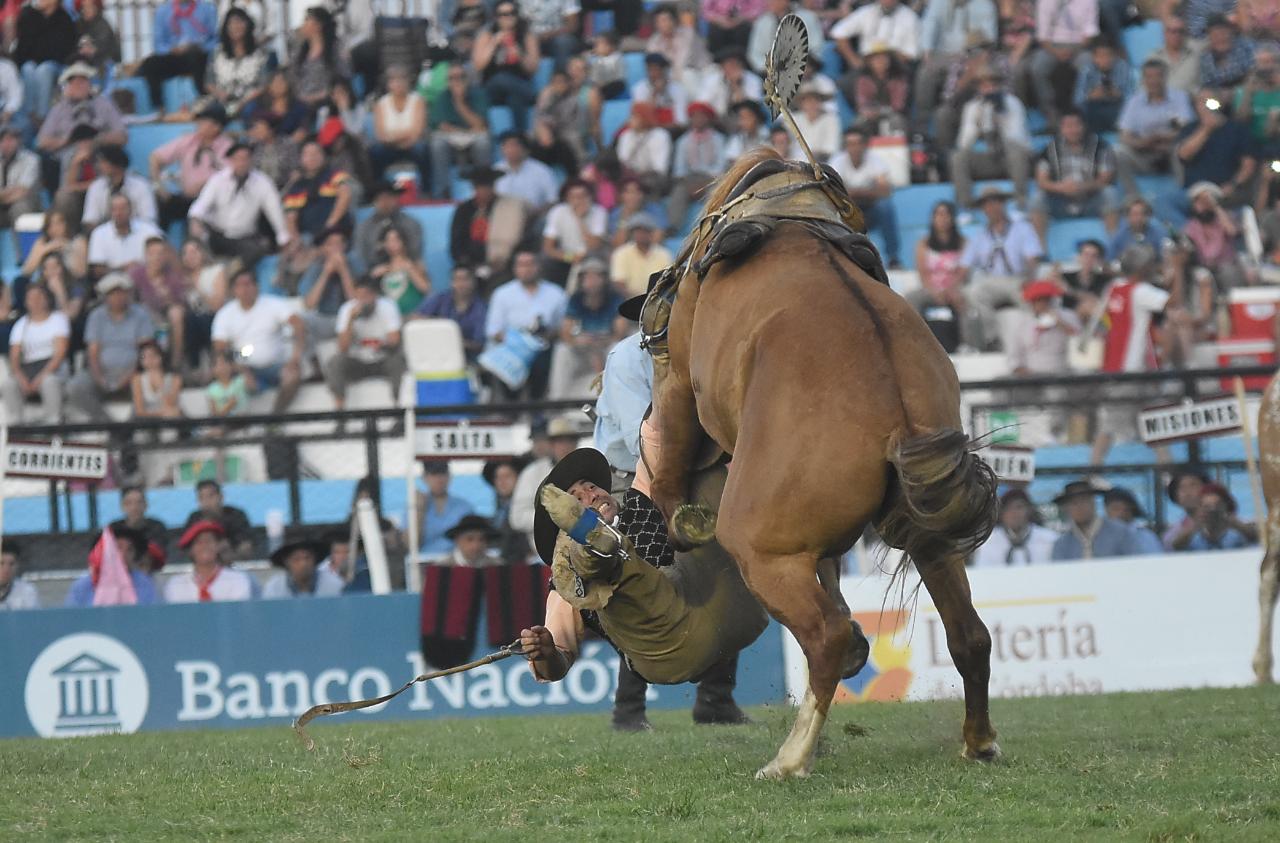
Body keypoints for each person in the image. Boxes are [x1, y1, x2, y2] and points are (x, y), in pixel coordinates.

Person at [1089, 245, 1184, 467]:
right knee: (1114, 426)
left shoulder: (1114, 287)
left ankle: (1168, 469)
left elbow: (1105, 320)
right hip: (1133, 370)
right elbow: (1174, 302)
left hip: (1120, 368)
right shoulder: (1139, 291)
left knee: (1153, 422)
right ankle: (1093, 472)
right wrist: (1178, 268)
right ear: (1141, 268)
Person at [211, 268, 305, 416]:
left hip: (275, 366)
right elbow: (220, 348)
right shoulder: (225, 314)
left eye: (249, 284)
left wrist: (295, 357)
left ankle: (275, 418)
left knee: (293, 375)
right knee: (232, 382)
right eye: (240, 285)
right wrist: (241, 368)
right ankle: (230, 424)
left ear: (257, 286)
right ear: (233, 290)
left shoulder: (273, 304)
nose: (245, 289)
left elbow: (298, 324)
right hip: (242, 368)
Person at [961, 186, 1044, 350]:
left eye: (996, 202)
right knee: (973, 292)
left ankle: (1033, 339)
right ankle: (992, 338)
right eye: (987, 204)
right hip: (991, 281)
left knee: (1028, 298)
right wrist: (956, 286)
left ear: (1003, 204)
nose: (992, 207)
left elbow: (1032, 260)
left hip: (1017, 279)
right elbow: (964, 267)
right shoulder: (979, 237)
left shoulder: (1022, 228)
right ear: (983, 209)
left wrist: (1030, 279)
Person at [65, 272, 154, 424]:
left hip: (133, 373)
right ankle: (106, 423)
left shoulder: (141, 314)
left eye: (121, 292)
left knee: (147, 385)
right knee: (74, 387)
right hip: (102, 371)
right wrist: (99, 378)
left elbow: (145, 351)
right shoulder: (96, 316)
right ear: (105, 296)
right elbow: (93, 352)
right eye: (113, 293)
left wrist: (130, 376)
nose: (118, 297)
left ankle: (133, 426)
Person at [187, 140, 290, 269]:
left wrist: (283, 237)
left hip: (244, 237)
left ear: (251, 160)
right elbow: (201, 206)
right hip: (217, 234)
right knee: (195, 240)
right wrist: (195, 221)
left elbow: (274, 210)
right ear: (231, 160)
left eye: (245, 159)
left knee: (256, 249)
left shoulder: (262, 182)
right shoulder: (218, 179)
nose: (242, 163)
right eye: (238, 159)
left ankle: (230, 274)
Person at [1028, 108, 1121, 246]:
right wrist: (1061, 187)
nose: (1073, 130)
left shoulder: (1101, 147)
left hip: (1091, 200)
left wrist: (1082, 187)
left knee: (1110, 194)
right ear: (1061, 128)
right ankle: (1040, 249)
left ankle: (1114, 245)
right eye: (1068, 126)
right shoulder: (1049, 150)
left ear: (1083, 126)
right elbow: (1041, 180)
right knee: (1038, 199)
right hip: (1061, 201)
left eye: (1076, 125)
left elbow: (1105, 178)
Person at [484, 250, 569, 399]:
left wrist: (542, 337)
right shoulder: (502, 294)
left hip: (543, 347)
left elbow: (562, 327)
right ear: (515, 268)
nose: (527, 269)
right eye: (522, 265)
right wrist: (519, 342)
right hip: (511, 347)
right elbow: (493, 330)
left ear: (539, 267)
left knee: (544, 360)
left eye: (530, 264)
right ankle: (511, 412)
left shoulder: (556, 293)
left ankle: (537, 411)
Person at [951, 67, 1032, 209]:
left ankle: (1021, 201)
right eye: (984, 85)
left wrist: (1000, 120)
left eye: (993, 85)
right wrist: (978, 124)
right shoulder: (972, 107)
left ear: (999, 86)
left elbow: (1018, 138)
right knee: (958, 157)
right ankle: (966, 205)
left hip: (1009, 157)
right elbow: (963, 143)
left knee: (1017, 155)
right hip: (987, 157)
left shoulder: (1012, 103)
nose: (988, 89)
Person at [1115, 59, 1194, 199]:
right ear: (1143, 79)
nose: (1154, 81)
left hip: (1171, 151)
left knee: (1182, 148)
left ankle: (1183, 196)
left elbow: (1186, 129)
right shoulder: (1135, 101)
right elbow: (1124, 135)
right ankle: (1134, 198)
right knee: (1118, 152)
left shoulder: (1179, 97)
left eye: (1158, 76)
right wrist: (1142, 143)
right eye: (1149, 77)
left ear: (1165, 77)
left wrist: (1161, 137)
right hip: (1145, 153)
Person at [548, 257, 626, 399]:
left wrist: (599, 344)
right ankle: (556, 402)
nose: (591, 281)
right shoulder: (575, 300)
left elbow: (620, 332)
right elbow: (565, 332)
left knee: (617, 348)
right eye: (587, 277)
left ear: (604, 279)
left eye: (595, 276)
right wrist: (578, 341)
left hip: (605, 347)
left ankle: (616, 399)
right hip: (582, 348)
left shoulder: (615, 299)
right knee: (562, 350)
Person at [149, 100, 232, 231]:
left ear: (217, 127)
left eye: (204, 121)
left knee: (198, 215)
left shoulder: (227, 147)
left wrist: (204, 185)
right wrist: (159, 186)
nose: (199, 124)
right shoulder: (189, 140)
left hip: (212, 201)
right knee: (159, 204)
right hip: (186, 197)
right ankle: (158, 243)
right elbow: (155, 158)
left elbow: (229, 175)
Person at [326, 275, 406, 410]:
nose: (362, 301)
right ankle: (339, 413)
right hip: (358, 362)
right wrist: (350, 321)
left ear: (375, 295)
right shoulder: (347, 310)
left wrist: (381, 345)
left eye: (366, 296)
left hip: (382, 360)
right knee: (335, 362)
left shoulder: (387, 306)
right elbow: (342, 348)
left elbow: (395, 340)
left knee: (397, 362)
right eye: (359, 296)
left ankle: (399, 411)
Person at [35, 62, 127, 175]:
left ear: (89, 84)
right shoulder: (58, 109)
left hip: (99, 151)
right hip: (67, 154)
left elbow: (122, 137)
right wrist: (67, 141)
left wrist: (96, 141)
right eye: (74, 83)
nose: (79, 86)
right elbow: (42, 142)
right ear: (68, 86)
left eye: (82, 82)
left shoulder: (104, 104)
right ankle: (69, 190)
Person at [828, 128, 901, 268]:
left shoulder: (875, 160)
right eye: (850, 143)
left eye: (858, 143)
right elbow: (832, 192)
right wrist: (868, 191)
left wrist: (852, 192)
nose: (854, 148)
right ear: (845, 146)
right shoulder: (838, 161)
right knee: (831, 208)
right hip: (848, 212)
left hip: (870, 211)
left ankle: (893, 257)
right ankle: (838, 257)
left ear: (865, 145)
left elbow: (886, 191)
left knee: (886, 207)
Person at [511, 413, 586, 542]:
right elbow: (517, 518)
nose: (565, 446)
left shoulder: (588, 469)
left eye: (569, 441)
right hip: (546, 551)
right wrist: (555, 517)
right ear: (551, 445)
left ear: (576, 443)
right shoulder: (532, 473)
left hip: (585, 547)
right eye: (559, 441)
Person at [136, 0, 217, 116]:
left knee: (198, 59)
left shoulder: (207, 8)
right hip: (173, 56)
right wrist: (171, 49)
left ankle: (205, 103)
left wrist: (199, 47)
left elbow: (216, 40)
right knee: (150, 64)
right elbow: (158, 44)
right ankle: (159, 108)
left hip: (199, 55)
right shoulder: (163, 11)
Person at [2, 284, 69, 423]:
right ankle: (16, 424)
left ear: (46, 299)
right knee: (9, 384)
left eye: (39, 297)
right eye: (31, 298)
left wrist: (39, 379)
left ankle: (54, 421)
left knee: (49, 382)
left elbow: (59, 354)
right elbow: (14, 357)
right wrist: (22, 379)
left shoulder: (58, 320)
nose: (35, 301)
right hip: (28, 368)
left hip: (52, 369)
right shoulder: (21, 324)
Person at [473, 1, 540, 134]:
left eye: (512, 13)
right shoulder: (487, 35)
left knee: (515, 98)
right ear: (496, 17)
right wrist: (493, 44)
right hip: (493, 85)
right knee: (501, 78)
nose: (508, 17)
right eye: (503, 14)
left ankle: (519, 137)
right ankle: (534, 97)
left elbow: (533, 68)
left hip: (518, 83)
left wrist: (520, 54)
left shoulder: (526, 35)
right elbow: (478, 66)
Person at [428, 63, 491, 199]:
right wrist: (466, 129)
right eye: (452, 78)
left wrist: (459, 103)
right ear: (447, 82)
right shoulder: (442, 97)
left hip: (474, 137)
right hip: (452, 137)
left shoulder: (478, 94)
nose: (457, 81)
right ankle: (443, 192)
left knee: (483, 142)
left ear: (467, 79)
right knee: (437, 144)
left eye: (461, 77)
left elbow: (480, 124)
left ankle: (485, 187)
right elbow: (442, 126)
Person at [13, 0, 76, 123]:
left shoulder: (64, 19)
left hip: (55, 64)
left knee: (44, 69)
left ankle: (42, 116)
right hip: (32, 62)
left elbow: (65, 49)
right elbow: (22, 46)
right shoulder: (28, 15)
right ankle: (29, 114)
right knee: (28, 68)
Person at [668, 102, 726, 236]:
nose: (698, 120)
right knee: (678, 192)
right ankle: (673, 227)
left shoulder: (718, 139)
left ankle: (710, 228)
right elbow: (679, 169)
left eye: (701, 116)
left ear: (708, 119)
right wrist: (690, 184)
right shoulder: (683, 141)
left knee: (715, 191)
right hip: (689, 180)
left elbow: (721, 166)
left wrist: (705, 183)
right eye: (694, 117)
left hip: (711, 179)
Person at [65, 526, 161, 607]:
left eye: (130, 550)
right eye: (117, 547)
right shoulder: (83, 586)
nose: (123, 554)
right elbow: (72, 619)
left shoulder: (144, 583)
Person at [282, 139, 355, 245]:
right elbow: (291, 218)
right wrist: (296, 240)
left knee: (334, 242)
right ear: (301, 159)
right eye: (308, 154)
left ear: (323, 156)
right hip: (308, 236)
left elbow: (345, 195)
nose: (313, 157)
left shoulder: (334, 175)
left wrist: (330, 224)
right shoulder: (297, 186)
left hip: (335, 230)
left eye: (316, 153)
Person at [368, 64, 429, 189]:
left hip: (412, 145)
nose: (398, 84)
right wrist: (404, 135)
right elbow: (381, 135)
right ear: (388, 84)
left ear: (408, 82)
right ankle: (379, 190)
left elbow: (417, 133)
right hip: (389, 147)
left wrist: (394, 137)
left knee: (422, 149)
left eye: (402, 79)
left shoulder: (418, 101)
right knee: (375, 151)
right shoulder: (381, 104)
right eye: (394, 80)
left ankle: (426, 190)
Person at [1050, 480, 1143, 561]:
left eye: (1084, 500)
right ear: (1066, 508)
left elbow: (1136, 565)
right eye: (1074, 503)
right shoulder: (1062, 544)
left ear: (1093, 502)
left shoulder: (1121, 533)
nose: (1079, 506)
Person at [164, 519, 254, 602]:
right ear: (190, 550)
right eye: (199, 542)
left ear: (218, 546)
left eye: (209, 541)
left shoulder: (237, 579)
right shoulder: (176, 584)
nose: (205, 546)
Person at [1007, 279, 1080, 376]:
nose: (1043, 304)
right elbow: (1014, 356)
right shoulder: (1022, 323)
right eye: (1038, 301)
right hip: (1032, 377)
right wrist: (1022, 371)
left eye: (1046, 300)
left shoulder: (1068, 316)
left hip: (1062, 373)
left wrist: (1060, 323)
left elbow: (1079, 342)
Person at [206, 6, 268, 117]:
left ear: (248, 25)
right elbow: (209, 82)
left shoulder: (261, 53)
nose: (236, 27)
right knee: (210, 112)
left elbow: (263, 84)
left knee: (251, 110)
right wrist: (220, 95)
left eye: (240, 22)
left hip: (250, 100)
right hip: (223, 98)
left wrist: (244, 101)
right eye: (231, 23)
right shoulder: (217, 53)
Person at [415, 265, 488, 361]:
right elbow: (416, 317)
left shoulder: (481, 308)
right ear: (451, 282)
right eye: (456, 279)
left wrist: (452, 340)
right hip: (434, 353)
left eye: (465, 279)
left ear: (473, 282)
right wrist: (439, 327)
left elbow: (479, 344)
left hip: (466, 359)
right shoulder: (441, 298)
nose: (461, 284)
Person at [830, 0, 920, 76]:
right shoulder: (866, 12)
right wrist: (854, 60)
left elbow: (911, 53)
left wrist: (883, 63)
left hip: (894, 67)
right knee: (844, 83)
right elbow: (838, 32)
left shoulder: (910, 17)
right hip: (865, 65)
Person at [542, 179, 607, 284]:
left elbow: (595, 245)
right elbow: (548, 247)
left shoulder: (599, 212)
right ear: (567, 198)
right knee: (546, 261)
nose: (579, 201)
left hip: (592, 255)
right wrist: (570, 257)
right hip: (567, 255)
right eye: (574, 197)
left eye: (583, 196)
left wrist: (580, 219)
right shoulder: (557, 211)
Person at [972, 488, 1058, 567]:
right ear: (1001, 514)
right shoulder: (988, 542)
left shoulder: (1050, 539)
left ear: (1029, 510)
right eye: (1008, 509)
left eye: (1019, 507)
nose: (1014, 513)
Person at [288, 6, 348, 113]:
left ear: (318, 25)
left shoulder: (335, 49)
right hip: (301, 103)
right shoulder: (299, 52)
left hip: (328, 102)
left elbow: (345, 75)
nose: (304, 25)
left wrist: (325, 94)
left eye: (307, 20)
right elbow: (293, 77)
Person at [87, 195, 163, 281]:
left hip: (146, 279)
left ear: (131, 210)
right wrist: (124, 269)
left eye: (123, 208)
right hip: (112, 283)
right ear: (110, 212)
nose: (119, 213)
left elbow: (164, 256)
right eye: (115, 209)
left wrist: (139, 270)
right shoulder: (99, 233)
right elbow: (98, 271)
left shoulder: (149, 229)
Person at [82, 146, 157, 230]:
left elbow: (148, 218)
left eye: (103, 162)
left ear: (116, 163)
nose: (99, 166)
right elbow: (90, 219)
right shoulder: (96, 186)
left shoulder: (141, 185)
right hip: (103, 234)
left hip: (136, 233)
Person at [182, 479, 253, 561]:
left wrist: (228, 555)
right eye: (201, 498)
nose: (206, 502)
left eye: (210, 496)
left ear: (221, 497)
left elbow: (246, 547)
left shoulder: (236, 516)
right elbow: (185, 548)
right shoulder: (194, 518)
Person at [1072, 36, 1130, 135]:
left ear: (1115, 55)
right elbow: (1077, 100)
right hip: (1093, 110)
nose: (1105, 60)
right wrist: (1090, 96)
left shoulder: (1122, 67)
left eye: (1108, 55)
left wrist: (1118, 94)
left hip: (1116, 108)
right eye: (1101, 56)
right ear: (1094, 57)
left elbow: (1131, 98)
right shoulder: (1087, 69)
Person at [748, 0, 823, 76]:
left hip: (804, 70)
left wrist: (806, 65)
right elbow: (755, 54)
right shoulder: (762, 22)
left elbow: (816, 48)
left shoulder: (808, 17)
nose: (770, 2)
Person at [418, 461, 474, 557]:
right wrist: (419, 510)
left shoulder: (464, 507)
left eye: (443, 473)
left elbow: (472, 540)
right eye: (434, 474)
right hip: (424, 562)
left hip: (457, 563)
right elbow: (409, 544)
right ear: (424, 478)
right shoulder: (414, 507)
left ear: (449, 477)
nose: (439, 479)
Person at [494, 130, 558, 214]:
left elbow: (553, 200)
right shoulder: (495, 170)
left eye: (514, 145)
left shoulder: (541, 170)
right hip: (503, 218)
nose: (510, 150)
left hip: (535, 217)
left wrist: (537, 214)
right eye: (506, 146)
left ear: (524, 148)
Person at [610, 213, 672, 298]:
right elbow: (619, 283)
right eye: (638, 231)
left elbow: (668, 280)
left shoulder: (663, 254)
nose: (641, 234)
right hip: (628, 301)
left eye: (645, 231)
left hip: (656, 301)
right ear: (632, 234)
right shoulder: (621, 253)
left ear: (651, 233)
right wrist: (636, 301)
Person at [615, 102, 673, 194]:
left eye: (635, 117)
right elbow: (622, 161)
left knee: (646, 183)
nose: (630, 120)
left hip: (653, 177)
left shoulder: (660, 135)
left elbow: (660, 168)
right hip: (630, 175)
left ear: (644, 118)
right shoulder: (625, 136)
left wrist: (638, 175)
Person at [261, 537, 345, 599]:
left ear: (315, 559)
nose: (303, 563)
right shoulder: (274, 587)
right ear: (286, 562)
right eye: (297, 559)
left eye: (307, 558)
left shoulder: (334, 584)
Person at [483, 459, 532, 565]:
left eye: (507, 476)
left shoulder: (527, 508)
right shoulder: (498, 509)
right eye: (498, 477)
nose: (502, 481)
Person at [110, 485, 169, 564]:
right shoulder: (114, 529)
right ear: (122, 507)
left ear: (146, 505)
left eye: (139, 502)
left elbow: (160, 553)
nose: (134, 507)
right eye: (129, 503)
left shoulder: (157, 527)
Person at [1185, 483, 1253, 551]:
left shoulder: (1236, 538)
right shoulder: (1195, 541)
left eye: (1217, 506)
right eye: (1206, 507)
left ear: (1225, 507)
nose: (1212, 510)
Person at [1151, 14, 1202, 96]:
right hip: (1161, 104)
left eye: (1180, 31)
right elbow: (1143, 88)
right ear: (1165, 34)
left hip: (1190, 103)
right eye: (1173, 31)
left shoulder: (1196, 54)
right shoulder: (1154, 57)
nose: (1177, 35)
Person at [1199, 14, 1254, 91]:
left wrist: (1234, 92)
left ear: (1230, 32)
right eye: (1215, 35)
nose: (1220, 38)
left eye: (1223, 33)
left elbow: (1253, 72)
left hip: (1246, 90)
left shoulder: (1245, 46)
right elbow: (1207, 84)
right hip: (1219, 95)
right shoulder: (1206, 57)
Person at [131, 340, 182, 420]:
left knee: (174, 415)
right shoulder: (137, 379)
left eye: (152, 356)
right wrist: (160, 414)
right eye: (144, 357)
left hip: (167, 420)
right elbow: (139, 411)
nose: (148, 360)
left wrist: (160, 385)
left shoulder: (175, 379)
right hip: (145, 421)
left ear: (160, 357)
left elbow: (170, 405)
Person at [1102, 487, 1163, 554]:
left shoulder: (1145, 536)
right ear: (1106, 509)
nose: (1121, 513)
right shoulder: (1098, 536)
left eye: (1126, 510)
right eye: (1116, 508)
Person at [0, 126, 39, 229]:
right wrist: (11, 191)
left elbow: (23, 191)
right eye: (3, 140)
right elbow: (17, 189)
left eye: (10, 139)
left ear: (18, 141)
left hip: (26, 203)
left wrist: (3, 195)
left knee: (20, 208)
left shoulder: (31, 159)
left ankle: (25, 245)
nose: (6, 143)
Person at [206, 349, 248, 420]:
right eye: (219, 364)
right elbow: (214, 413)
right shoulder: (211, 388)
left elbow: (254, 387)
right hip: (222, 422)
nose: (223, 367)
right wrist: (228, 406)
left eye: (225, 362)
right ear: (213, 369)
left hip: (242, 421)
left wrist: (242, 366)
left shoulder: (241, 380)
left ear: (231, 365)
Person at [0, 542, 39, 610]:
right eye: (1, 563)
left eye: (11, 564)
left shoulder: (27, 591)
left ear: (18, 565)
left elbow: (34, 619)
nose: (6, 569)